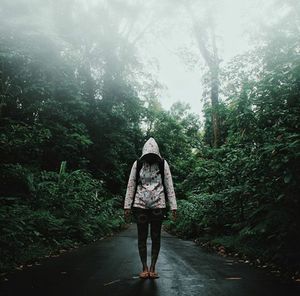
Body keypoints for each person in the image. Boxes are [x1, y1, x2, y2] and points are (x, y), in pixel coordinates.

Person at [124, 137, 177, 279]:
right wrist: (127, 206)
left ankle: (153, 267)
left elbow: (169, 184)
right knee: (142, 237)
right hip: (140, 205)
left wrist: (173, 207)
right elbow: (131, 184)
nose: (151, 158)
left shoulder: (163, 164)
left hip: (158, 205)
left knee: (155, 236)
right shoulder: (138, 164)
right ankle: (144, 267)